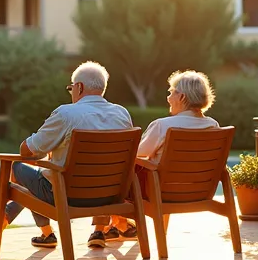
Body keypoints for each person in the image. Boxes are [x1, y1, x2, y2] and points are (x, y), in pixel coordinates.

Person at [0, 61, 133, 249]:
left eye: (71, 88)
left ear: (79, 87)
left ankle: (22, 229)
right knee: (42, 175)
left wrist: (49, 145)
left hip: (67, 196)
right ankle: (41, 234)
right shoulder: (121, 114)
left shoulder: (67, 114)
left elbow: (27, 150)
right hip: (110, 195)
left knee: (17, 167)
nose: (71, 92)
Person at [92, 70, 220, 247]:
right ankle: (118, 224)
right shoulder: (213, 126)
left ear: (182, 97)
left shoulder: (163, 126)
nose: (168, 98)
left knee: (115, 170)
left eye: (171, 92)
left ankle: (108, 226)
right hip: (200, 191)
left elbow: (133, 154)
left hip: (159, 192)